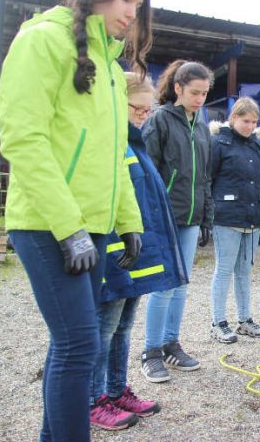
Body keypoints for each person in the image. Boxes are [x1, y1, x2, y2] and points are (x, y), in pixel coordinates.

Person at [0, 0, 152, 440]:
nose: (132, 13)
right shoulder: (41, 40)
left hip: (93, 224)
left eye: (138, 5)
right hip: (49, 224)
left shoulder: (107, 62)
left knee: (70, 345)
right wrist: (68, 228)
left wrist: (130, 222)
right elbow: (24, 140)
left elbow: (113, 152)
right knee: (80, 344)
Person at [88, 73, 189, 430]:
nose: (144, 115)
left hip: (135, 250)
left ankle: (115, 390)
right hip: (115, 252)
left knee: (123, 325)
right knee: (104, 327)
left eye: (148, 109)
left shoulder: (133, 141)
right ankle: (93, 398)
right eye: (138, 108)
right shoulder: (109, 140)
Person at [141, 60, 214, 382]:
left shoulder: (200, 125)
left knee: (182, 283)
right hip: (166, 214)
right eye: (195, 92)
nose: (200, 99)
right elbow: (146, 171)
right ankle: (151, 351)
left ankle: (171, 343)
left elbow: (205, 176)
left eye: (204, 93)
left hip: (192, 216)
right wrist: (152, 215)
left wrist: (207, 216)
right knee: (164, 284)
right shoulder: (159, 121)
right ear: (178, 89)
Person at [208, 97, 260, 343]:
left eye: (254, 121)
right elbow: (207, 180)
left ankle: (245, 320)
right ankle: (218, 322)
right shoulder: (218, 143)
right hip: (226, 217)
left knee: (244, 272)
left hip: (253, 219)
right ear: (233, 118)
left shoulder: (258, 146)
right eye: (245, 121)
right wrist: (207, 216)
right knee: (224, 270)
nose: (249, 126)